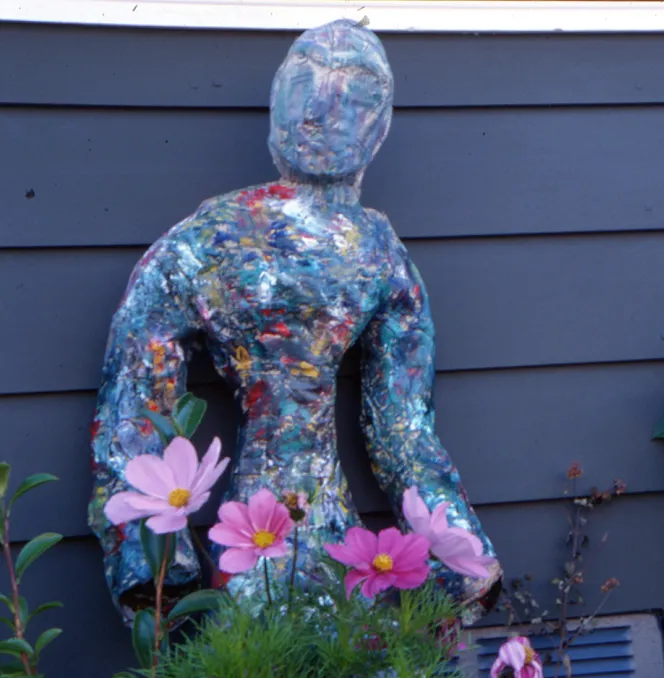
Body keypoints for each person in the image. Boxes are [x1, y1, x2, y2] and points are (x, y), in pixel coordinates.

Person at [88, 18, 502, 623]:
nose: (319, 107)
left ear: (379, 126)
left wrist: (463, 556)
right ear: (278, 99)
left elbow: (403, 430)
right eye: (303, 79)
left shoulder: (379, 251)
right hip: (249, 537)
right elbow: (134, 401)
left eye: (353, 88)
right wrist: (154, 570)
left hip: (328, 536)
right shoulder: (209, 240)